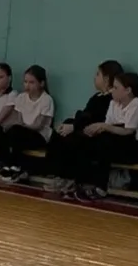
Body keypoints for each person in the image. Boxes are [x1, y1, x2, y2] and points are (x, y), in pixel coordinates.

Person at [55, 71, 138, 202]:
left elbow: (128, 131)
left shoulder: (137, 103)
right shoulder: (113, 103)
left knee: (105, 142)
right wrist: (92, 130)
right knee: (85, 140)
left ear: (128, 90)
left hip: (134, 146)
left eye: (116, 88)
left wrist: (103, 126)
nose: (112, 90)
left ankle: (101, 187)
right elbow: (107, 125)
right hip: (113, 140)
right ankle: (79, 181)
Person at [47, 59, 121, 198]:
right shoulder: (96, 97)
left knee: (75, 140)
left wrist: (74, 127)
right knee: (62, 130)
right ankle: (59, 175)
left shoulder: (111, 99)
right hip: (85, 128)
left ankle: (72, 179)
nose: (94, 77)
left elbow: (96, 119)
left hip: (97, 134)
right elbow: (85, 115)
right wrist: (72, 124)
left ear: (106, 79)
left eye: (97, 74)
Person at [0, 65, 54, 185]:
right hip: (22, 132)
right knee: (3, 132)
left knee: (16, 132)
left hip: (39, 135)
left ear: (41, 83)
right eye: (25, 82)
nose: (27, 85)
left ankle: (15, 167)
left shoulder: (46, 100)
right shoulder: (21, 97)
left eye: (31, 82)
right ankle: (7, 165)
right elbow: (18, 119)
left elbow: (38, 125)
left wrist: (19, 127)